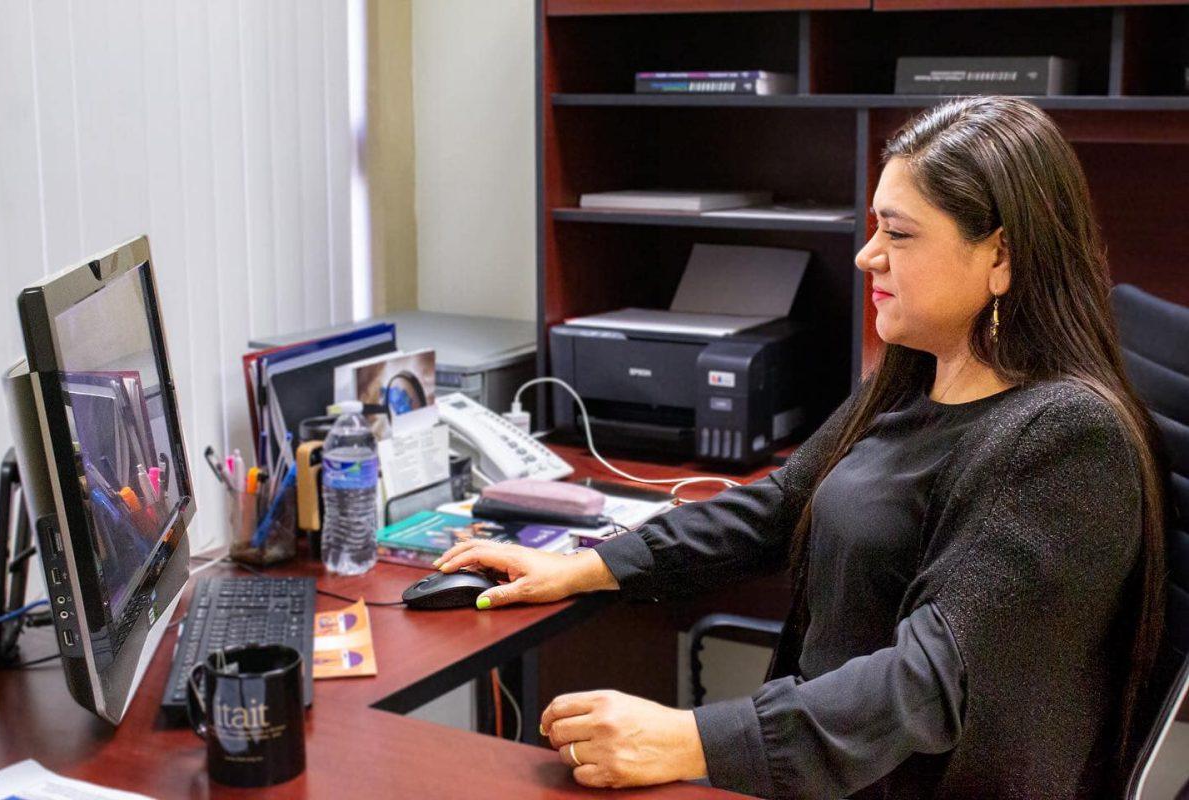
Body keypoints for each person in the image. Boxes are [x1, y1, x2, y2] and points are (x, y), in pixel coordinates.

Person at [435, 96, 1168, 799]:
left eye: (899, 234)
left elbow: (932, 681)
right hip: (835, 769)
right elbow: (782, 505)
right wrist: (584, 567)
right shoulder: (919, 370)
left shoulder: (1068, 440)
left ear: (1001, 256)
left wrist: (690, 739)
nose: (865, 256)